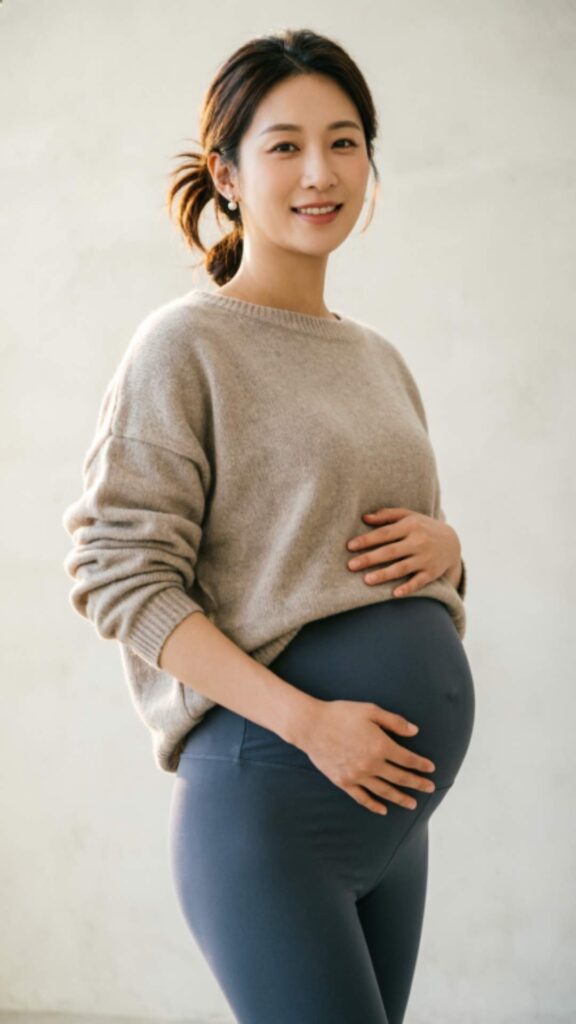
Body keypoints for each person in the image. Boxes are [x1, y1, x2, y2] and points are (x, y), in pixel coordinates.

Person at [62, 27, 475, 1024]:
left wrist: (452, 554)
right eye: (285, 144)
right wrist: (309, 723)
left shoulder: (378, 360)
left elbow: (349, 557)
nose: (320, 171)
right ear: (228, 173)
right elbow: (116, 573)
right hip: (273, 797)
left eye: (343, 141)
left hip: (388, 816)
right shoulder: (187, 343)